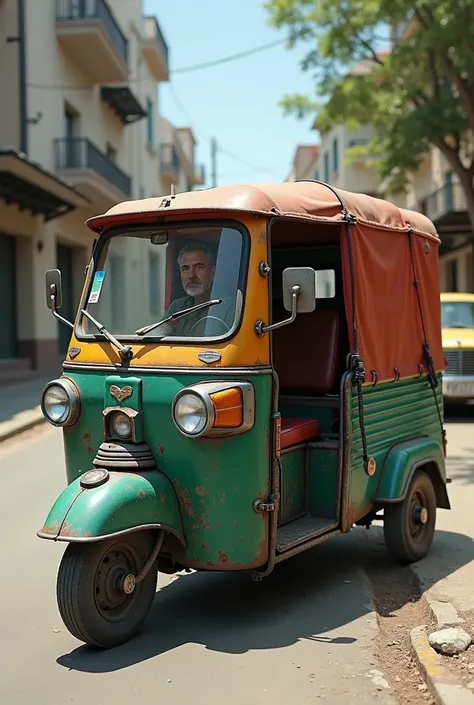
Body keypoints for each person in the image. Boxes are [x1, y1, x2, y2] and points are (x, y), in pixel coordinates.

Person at [155, 239, 236, 337]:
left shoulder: (230, 308)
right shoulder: (178, 306)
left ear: (213, 272)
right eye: (185, 269)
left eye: (199, 267)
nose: (191, 275)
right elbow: (159, 332)